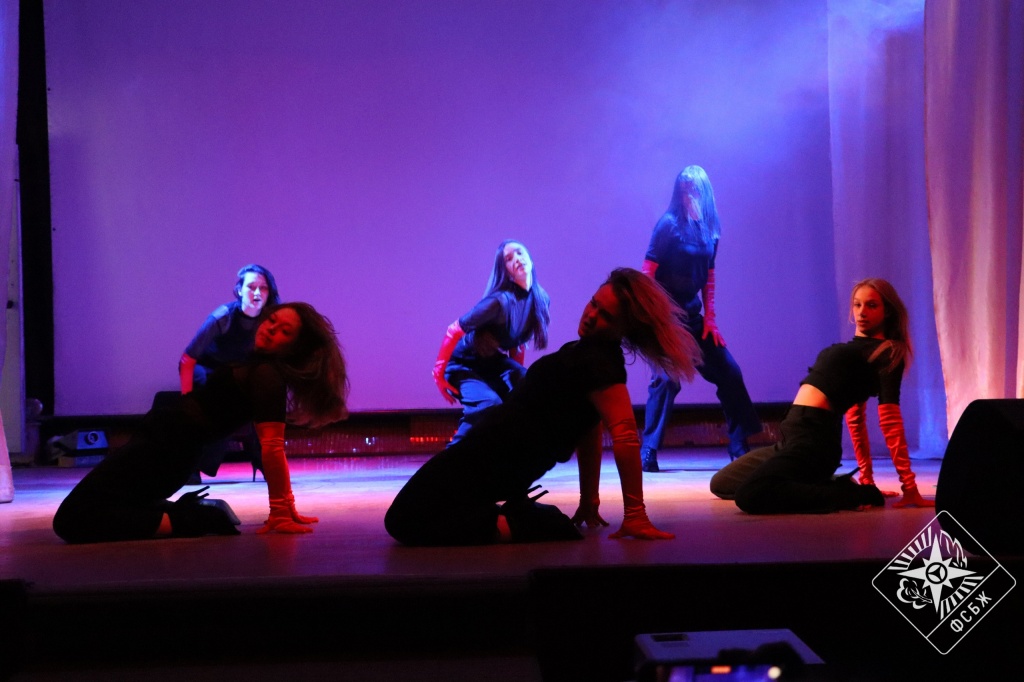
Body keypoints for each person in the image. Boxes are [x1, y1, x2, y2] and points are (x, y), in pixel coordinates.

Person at [386, 268, 702, 546]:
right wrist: (589, 500)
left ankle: (521, 524)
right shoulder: (582, 352)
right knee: (410, 514)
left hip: (496, 460)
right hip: (483, 450)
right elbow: (589, 429)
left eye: (606, 316)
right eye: (593, 303)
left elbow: (625, 434)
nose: (591, 315)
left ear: (624, 328)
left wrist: (635, 514)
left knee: (404, 520)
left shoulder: (602, 365)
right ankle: (517, 517)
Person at [53, 302, 349, 543]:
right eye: (272, 321)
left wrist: (281, 511)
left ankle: (192, 520)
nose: (271, 329)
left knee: (71, 519)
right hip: (162, 445)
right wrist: (286, 508)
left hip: (164, 451)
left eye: (285, 331)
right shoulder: (260, 367)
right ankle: (188, 516)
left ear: (295, 347)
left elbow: (272, 447)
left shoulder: (268, 376)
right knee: (101, 508)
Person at [708, 278, 934, 513]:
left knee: (749, 495)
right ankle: (831, 484)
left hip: (814, 444)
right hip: (791, 439)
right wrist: (867, 478)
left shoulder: (887, 352)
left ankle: (853, 495)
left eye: (871, 305)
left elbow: (890, 420)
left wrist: (909, 487)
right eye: (857, 304)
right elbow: (855, 419)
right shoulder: (853, 350)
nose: (862, 312)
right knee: (721, 483)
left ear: (887, 311)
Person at [640, 166, 761, 471]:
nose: (688, 195)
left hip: (694, 319)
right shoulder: (668, 225)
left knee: (729, 372)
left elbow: (709, 275)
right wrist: (656, 318)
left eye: (694, 189)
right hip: (667, 318)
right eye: (684, 189)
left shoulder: (710, 229)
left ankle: (738, 444)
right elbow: (647, 273)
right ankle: (648, 450)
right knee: (667, 380)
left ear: (704, 192)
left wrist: (711, 320)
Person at [433, 240, 551, 443]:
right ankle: (454, 455)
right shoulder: (498, 302)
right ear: (506, 271)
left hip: (491, 362)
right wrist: (439, 373)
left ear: (530, 258)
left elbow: (517, 343)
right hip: (462, 364)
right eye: (509, 259)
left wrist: (516, 385)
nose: (517, 259)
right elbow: (454, 330)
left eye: (519, 253)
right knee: (488, 404)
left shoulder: (540, 299)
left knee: (528, 387)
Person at [178, 264, 281, 481]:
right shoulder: (223, 317)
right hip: (209, 370)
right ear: (239, 290)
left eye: (263, 288)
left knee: (263, 397)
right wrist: (187, 398)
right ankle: (191, 465)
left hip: (239, 372)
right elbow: (188, 359)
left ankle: (263, 459)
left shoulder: (269, 320)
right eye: (251, 287)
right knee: (213, 405)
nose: (257, 293)